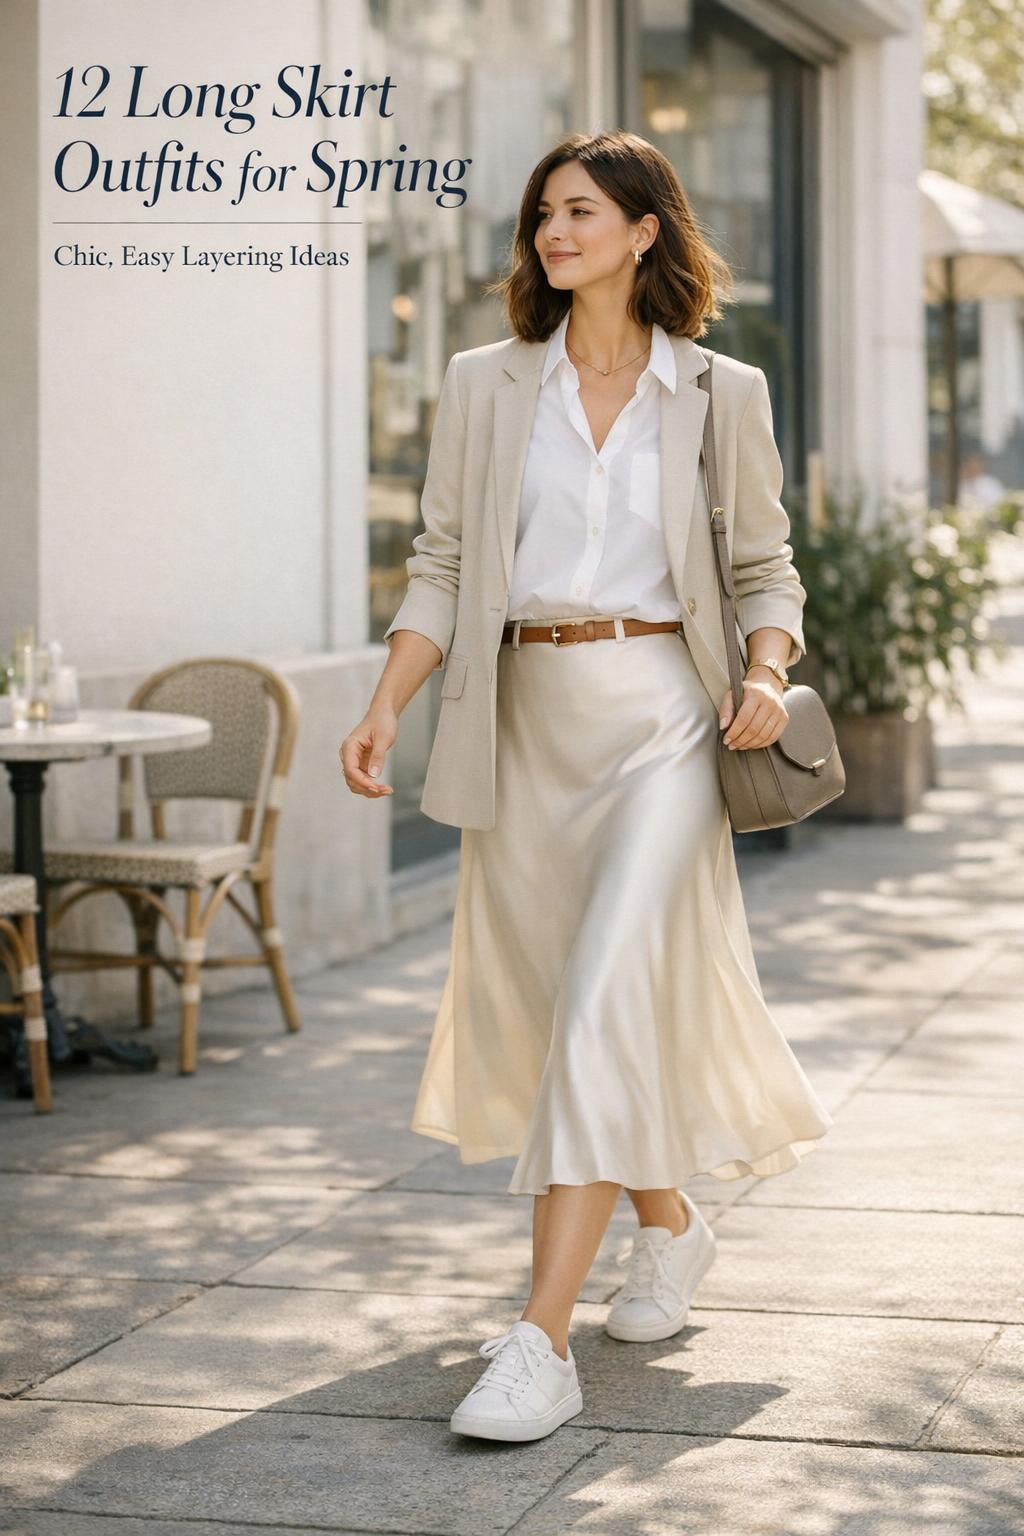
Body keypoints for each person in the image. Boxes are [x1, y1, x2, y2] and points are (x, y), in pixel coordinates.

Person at [340, 129, 833, 1445]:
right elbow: (442, 562)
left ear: (642, 232)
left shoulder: (721, 392)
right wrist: (388, 702)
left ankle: (536, 1340)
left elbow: (765, 571)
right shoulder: (484, 384)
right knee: (578, 1009)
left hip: (667, 722)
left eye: (580, 211)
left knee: (606, 990)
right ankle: (669, 1228)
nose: (553, 232)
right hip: (526, 726)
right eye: (543, 213)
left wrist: (770, 671)